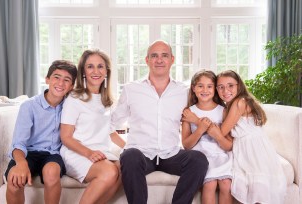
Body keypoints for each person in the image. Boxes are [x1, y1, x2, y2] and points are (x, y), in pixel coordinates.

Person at [110, 40, 209, 204]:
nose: (159, 60)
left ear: (172, 59)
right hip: (140, 154)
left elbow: (203, 111)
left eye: (164, 55)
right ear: (147, 60)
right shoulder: (131, 89)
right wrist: (124, 146)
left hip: (171, 154)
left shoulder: (184, 91)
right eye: (154, 56)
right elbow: (110, 124)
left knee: (198, 159)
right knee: (129, 155)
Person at [183, 70, 287, 204]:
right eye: (220, 87)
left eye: (230, 86)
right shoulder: (229, 105)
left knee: (254, 189)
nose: (225, 90)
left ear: (239, 86)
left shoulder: (238, 103)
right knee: (214, 185)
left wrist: (197, 121)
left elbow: (221, 132)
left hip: (252, 149)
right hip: (240, 147)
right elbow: (193, 141)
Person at [5, 60, 78, 204]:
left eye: (67, 80)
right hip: (28, 152)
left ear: (71, 86)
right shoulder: (29, 106)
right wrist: (21, 163)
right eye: (56, 77)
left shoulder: (71, 107)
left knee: (51, 173)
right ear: (47, 79)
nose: (61, 83)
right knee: (14, 179)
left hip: (53, 154)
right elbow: (19, 143)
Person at [60, 49, 125, 204]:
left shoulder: (107, 100)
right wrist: (89, 153)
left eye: (100, 66)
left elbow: (110, 132)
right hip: (77, 153)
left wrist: (131, 147)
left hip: (100, 152)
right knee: (109, 171)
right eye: (90, 66)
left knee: (126, 167)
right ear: (83, 71)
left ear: (106, 72)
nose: (96, 71)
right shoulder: (74, 99)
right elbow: (65, 137)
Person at [181, 70, 233, 204]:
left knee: (226, 184)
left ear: (215, 89)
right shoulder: (189, 112)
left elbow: (228, 145)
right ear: (193, 88)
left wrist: (199, 122)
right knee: (209, 185)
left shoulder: (223, 111)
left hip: (221, 155)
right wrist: (200, 129)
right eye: (200, 86)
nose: (205, 90)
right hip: (201, 157)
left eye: (209, 86)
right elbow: (186, 145)